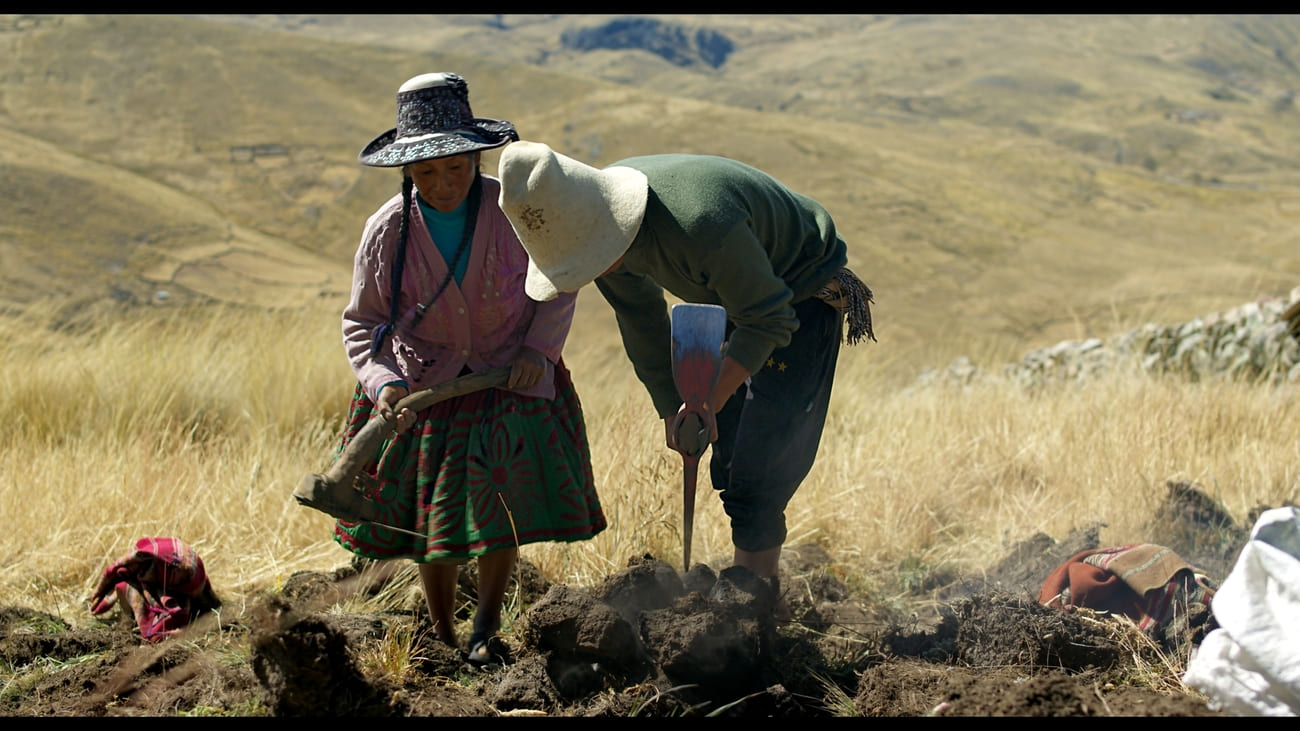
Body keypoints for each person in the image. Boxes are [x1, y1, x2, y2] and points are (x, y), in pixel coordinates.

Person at [496, 140, 874, 621]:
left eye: (592, 257)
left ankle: (760, 609)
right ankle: (754, 594)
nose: (597, 268)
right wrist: (675, 407)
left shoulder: (699, 226)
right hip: (735, 297)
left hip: (794, 296)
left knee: (761, 466)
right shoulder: (593, 229)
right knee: (729, 455)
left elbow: (769, 318)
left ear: (609, 223)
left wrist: (709, 400)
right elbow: (642, 319)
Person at [310, 75, 606, 664]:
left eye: (457, 169)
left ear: (477, 157)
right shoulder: (385, 231)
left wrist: (536, 352)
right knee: (436, 525)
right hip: (423, 390)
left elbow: (559, 281)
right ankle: (443, 632)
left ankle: (486, 629)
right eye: (427, 174)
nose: (443, 185)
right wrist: (384, 383)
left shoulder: (516, 212)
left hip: (507, 381)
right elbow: (361, 323)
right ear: (407, 174)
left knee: (502, 514)